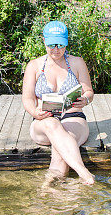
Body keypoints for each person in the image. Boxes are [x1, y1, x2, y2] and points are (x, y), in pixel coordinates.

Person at [22, 21, 96, 185]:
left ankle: (48, 189)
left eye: (61, 45)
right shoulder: (34, 66)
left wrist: (85, 99)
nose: (56, 49)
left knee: (60, 149)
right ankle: (84, 173)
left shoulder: (77, 62)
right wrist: (35, 113)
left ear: (67, 42)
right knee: (52, 126)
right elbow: (27, 99)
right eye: (52, 44)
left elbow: (89, 92)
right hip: (43, 121)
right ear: (44, 41)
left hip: (73, 117)